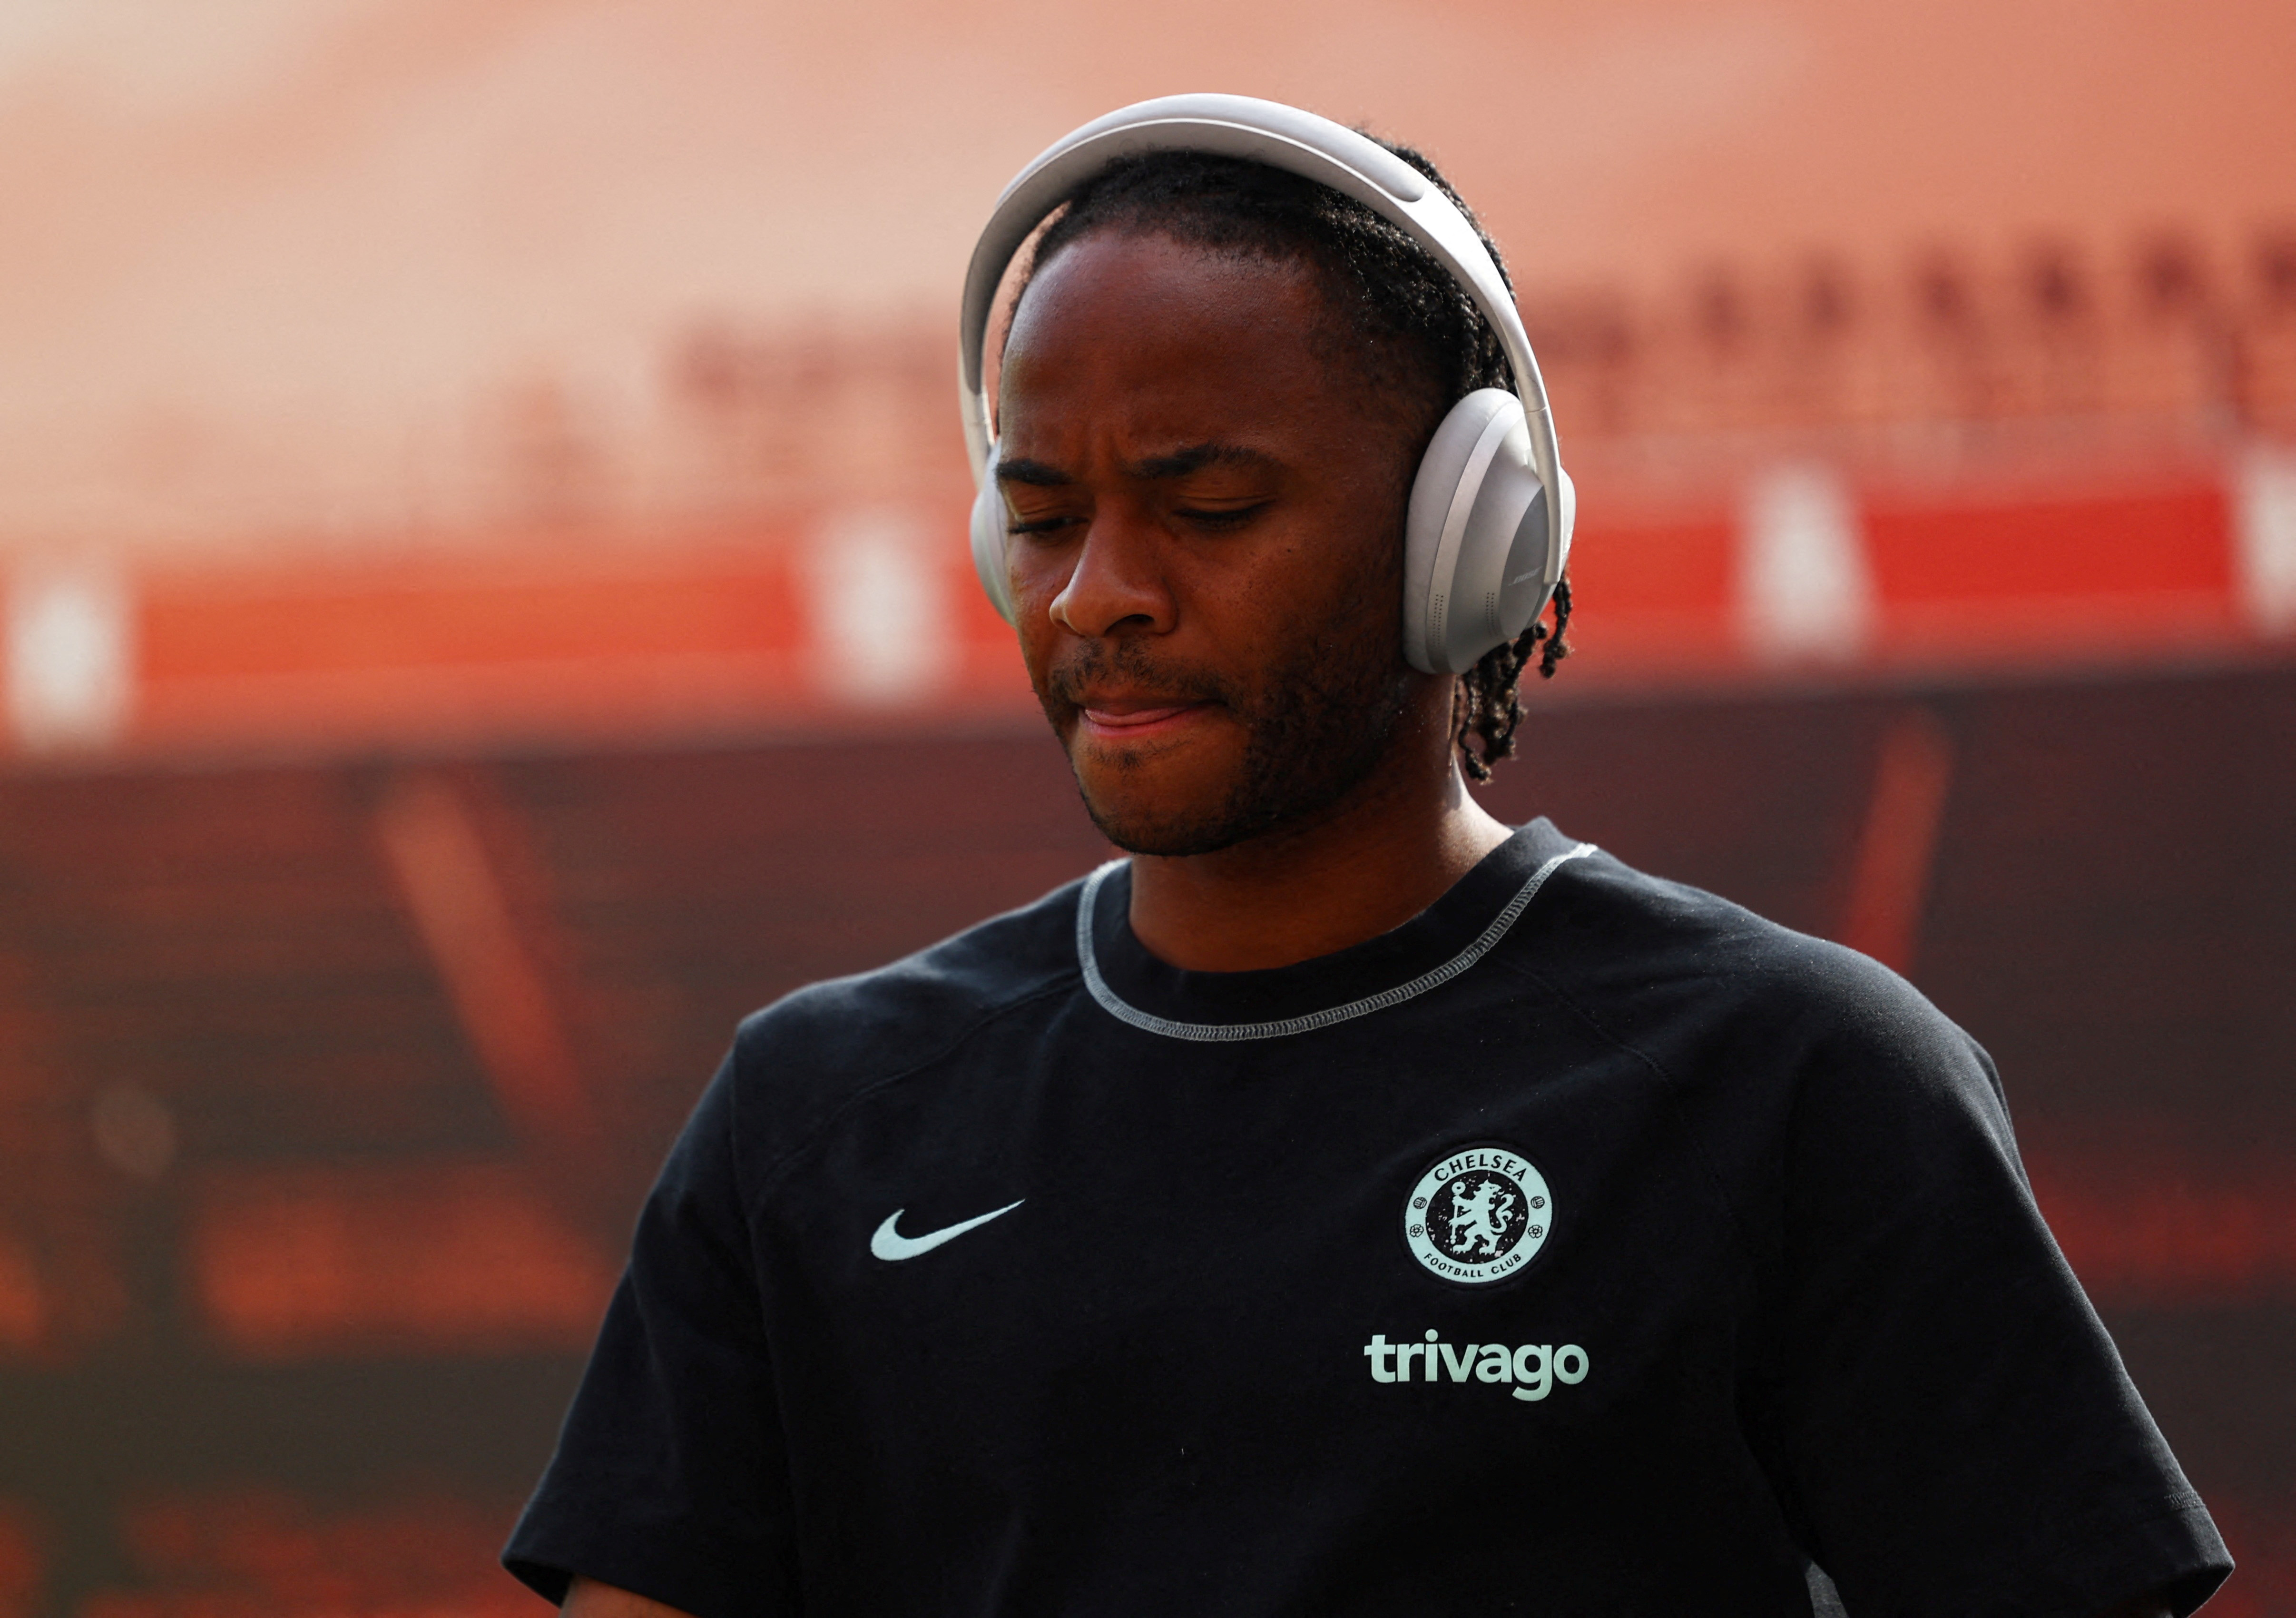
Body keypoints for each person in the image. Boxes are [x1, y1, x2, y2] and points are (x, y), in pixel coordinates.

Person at [503, 97, 2231, 1617]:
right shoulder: (812, 1113)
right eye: (1039, 517)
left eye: (1210, 505)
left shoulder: (1805, 1087)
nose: (1098, 589)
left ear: (1461, 539)